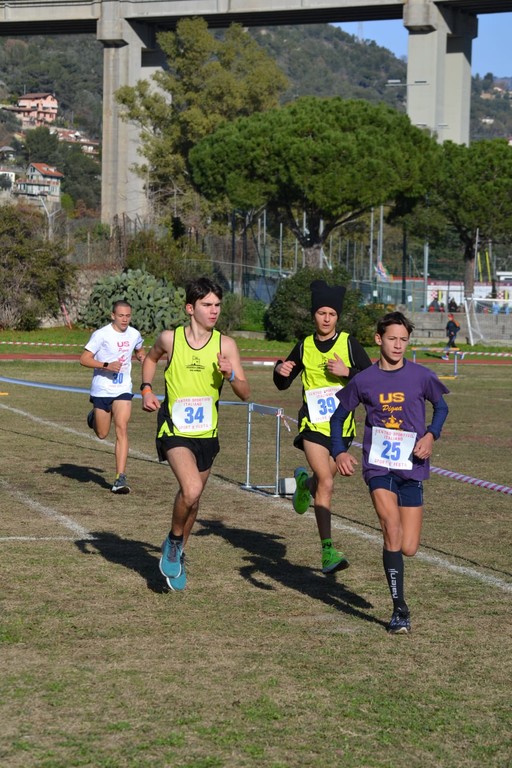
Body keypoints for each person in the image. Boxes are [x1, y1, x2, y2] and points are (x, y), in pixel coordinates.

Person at [330, 311, 449, 634]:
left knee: (409, 546)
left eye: (404, 340)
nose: (398, 345)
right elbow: (338, 418)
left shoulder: (421, 376)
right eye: (392, 339)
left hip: (413, 466)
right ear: (378, 339)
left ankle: (399, 600)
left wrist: (430, 435)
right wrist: (339, 451)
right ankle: (399, 609)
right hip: (378, 466)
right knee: (391, 529)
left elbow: (441, 407)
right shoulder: (363, 380)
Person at [140, 277, 250, 591]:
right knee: (190, 489)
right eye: (207, 305)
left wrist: (231, 374)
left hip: (207, 434)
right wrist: (146, 389)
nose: (214, 310)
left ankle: (178, 555)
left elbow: (245, 392)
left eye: (217, 305)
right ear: (190, 308)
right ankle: (174, 542)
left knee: (194, 499)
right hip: (174, 429)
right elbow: (150, 359)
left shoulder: (226, 345)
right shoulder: (170, 339)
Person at [273, 280, 372, 574]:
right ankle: (328, 551)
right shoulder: (304, 345)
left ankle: (304, 484)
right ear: (313, 315)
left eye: (332, 314)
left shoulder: (349, 344)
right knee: (327, 483)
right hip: (313, 426)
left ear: (337, 316)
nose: (326, 319)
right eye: (321, 313)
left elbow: (373, 381)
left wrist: (347, 371)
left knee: (320, 481)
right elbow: (283, 382)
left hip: (341, 429)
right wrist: (279, 370)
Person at [80, 300, 145, 494]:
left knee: (122, 428)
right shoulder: (101, 334)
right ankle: (94, 416)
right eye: (121, 316)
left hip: (123, 388)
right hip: (102, 389)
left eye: (128, 316)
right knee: (102, 434)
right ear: (113, 316)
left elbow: (139, 348)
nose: (125, 319)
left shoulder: (134, 334)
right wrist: (106, 365)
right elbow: (84, 359)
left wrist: (142, 357)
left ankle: (120, 478)